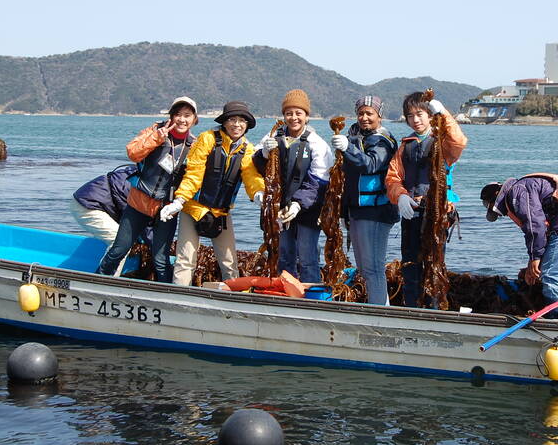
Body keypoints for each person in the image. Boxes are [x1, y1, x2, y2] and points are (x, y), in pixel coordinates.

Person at [160, 101, 265, 286]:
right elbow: (194, 172)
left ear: (247, 125)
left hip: (221, 213)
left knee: (229, 262)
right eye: (232, 119)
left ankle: (232, 301)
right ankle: (179, 298)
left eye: (242, 120)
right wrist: (179, 200)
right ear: (224, 122)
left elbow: (251, 175)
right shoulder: (207, 139)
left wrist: (259, 194)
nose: (237, 124)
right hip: (193, 208)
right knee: (186, 260)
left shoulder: (247, 149)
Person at [96, 96, 198, 281]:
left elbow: (195, 178)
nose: (182, 120)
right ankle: (97, 281)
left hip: (166, 210)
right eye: (178, 114)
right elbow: (133, 153)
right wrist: (157, 138)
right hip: (139, 204)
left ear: (194, 119)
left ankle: (165, 296)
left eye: (187, 115)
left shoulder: (195, 145)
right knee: (118, 250)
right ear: (171, 116)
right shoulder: (155, 131)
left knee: (160, 259)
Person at [480, 173, 558, 319]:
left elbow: (535, 225)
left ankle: (556, 321)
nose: (504, 214)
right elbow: (542, 232)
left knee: (552, 276)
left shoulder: (517, 191)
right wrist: (533, 260)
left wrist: (535, 257)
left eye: (494, 207)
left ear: (497, 194)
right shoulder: (525, 187)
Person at [385, 92, 467, 307]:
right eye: (410, 116)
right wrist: (400, 197)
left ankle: (434, 309)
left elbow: (459, 141)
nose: (416, 120)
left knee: (434, 265)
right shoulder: (405, 146)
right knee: (410, 264)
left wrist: (444, 114)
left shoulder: (443, 143)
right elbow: (392, 178)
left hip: (437, 214)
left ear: (430, 115)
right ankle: (412, 309)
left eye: (420, 114)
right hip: (411, 211)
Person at [252, 89, 334, 283]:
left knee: (307, 258)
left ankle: (312, 297)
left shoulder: (317, 144)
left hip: (308, 210)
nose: (293, 117)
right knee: (283, 256)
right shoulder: (273, 137)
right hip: (279, 209)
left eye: (299, 113)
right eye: (289, 113)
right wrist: (263, 153)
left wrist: (298, 204)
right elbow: (258, 166)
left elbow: (319, 181)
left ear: (307, 116)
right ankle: (285, 295)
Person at [331, 96, 399, 305]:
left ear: (379, 115)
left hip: (377, 211)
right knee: (363, 266)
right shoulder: (354, 136)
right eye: (361, 113)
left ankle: (379, 311)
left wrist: (347, 148)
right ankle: (380, 306)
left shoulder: (383, 141)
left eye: (369, 113)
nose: (364, 117)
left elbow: (370, 164)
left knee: (373, 267)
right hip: (356, 210)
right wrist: (343, 213)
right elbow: (347, 180)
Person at [71, 164, 140, 245]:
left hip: (96, 201)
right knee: (121, 243)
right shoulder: (141, 186)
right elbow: (138, 223)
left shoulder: (143, 173)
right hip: (88, 205)